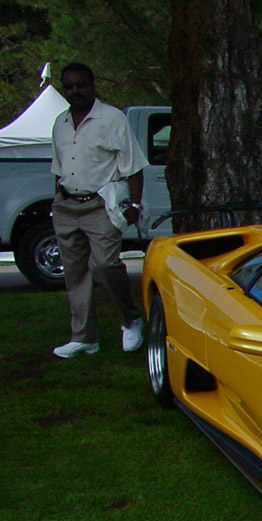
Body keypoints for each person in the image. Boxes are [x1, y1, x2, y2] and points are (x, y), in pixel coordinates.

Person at [50, 62, 148, 358]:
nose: (75, 91)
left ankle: (131, 318)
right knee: (74, 272)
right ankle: (84, 337)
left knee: (105, 265)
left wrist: (134, 205)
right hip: (67, 205)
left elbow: (134, 167)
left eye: (81, 85)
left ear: (92, 86)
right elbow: (59, 167)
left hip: (100, 205)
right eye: (69, 86)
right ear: (64, 90)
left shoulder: (112, 118)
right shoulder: (60, 123)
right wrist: (57, 200)